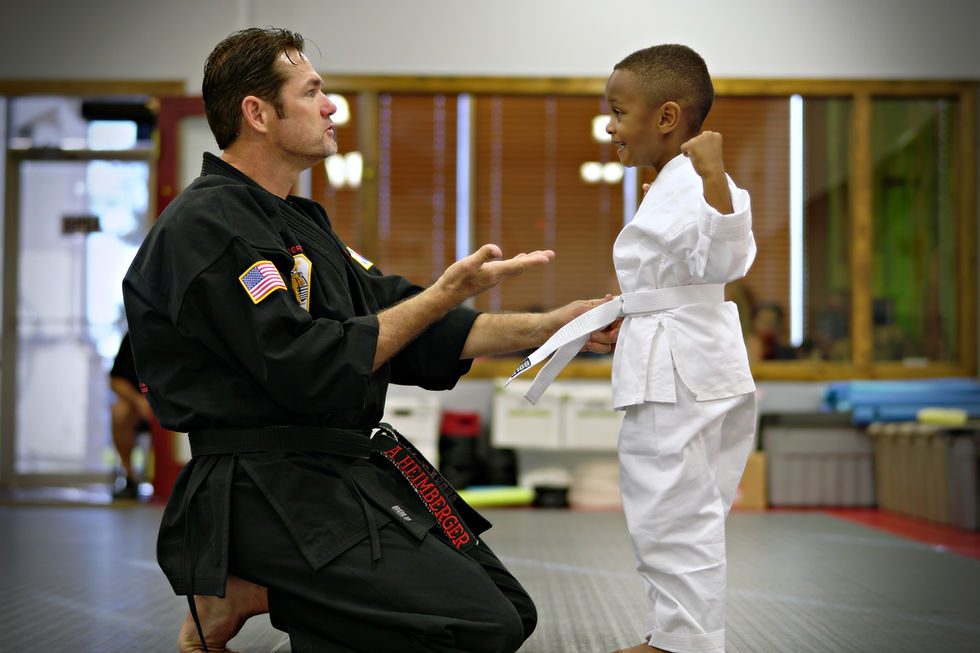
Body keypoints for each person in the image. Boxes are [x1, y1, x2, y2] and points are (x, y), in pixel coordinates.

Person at [122, 27, 615, 653]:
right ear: (258, 114)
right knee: (474, 628)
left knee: (511, 612)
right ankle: (262, 588)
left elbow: (401, 323)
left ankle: (273, 596)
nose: (331, 107)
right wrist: (442, 292)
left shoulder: (301, 222)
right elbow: (304, 364)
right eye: (312, 93)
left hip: (334, 469)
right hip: (263, 484)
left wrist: (550, 327)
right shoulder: (208, 226)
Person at [509, 44, 756, 653]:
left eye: (619, 112)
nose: (610, 127)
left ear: (667, 117)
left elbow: (727, 257)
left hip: (680, 369)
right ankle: (680, 636)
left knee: (671, 508)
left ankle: (680, 644)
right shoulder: (670, 183)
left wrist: (716, 177)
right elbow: (688, 274)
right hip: (686, 356)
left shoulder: (700, 179)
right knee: (684, 510)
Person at [108, 331, 153, 500]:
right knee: (120, 410)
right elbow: (115, 380)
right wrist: (139, 400)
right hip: (140, 407)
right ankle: (131, 476)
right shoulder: (135, 335)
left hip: (172, 404)